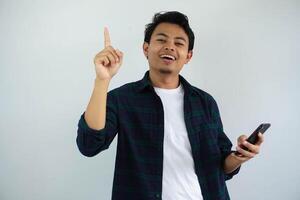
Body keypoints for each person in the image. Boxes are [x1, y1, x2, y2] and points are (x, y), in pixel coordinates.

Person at [76, 11, 264, 200]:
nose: (170, 47)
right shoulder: (122, 99)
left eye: (179, 43)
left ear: (188, 56)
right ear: (145, 48)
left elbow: (221, 167)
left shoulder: (205, 102)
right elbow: (89, 145)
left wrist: (239, 156)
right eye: (161, 40)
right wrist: (102, 80)